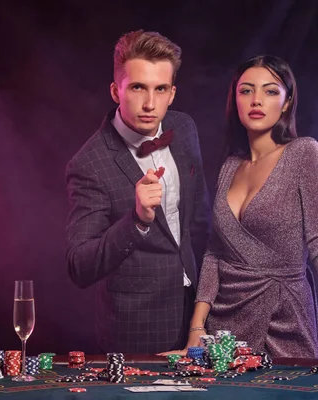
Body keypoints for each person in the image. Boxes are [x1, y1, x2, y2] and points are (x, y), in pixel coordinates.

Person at [162, 55, 318, 365]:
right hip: (223, 326)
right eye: (246, 90)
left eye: (270, 91)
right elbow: (214, 255)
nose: (257, 100)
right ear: (235, 100)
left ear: (287, 101)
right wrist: (196, 329)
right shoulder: (230, 167)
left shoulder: (304, 153)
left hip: (284, 319)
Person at [65, 30, 211, 354]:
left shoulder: (184, 129)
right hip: (137, 330)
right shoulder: (90, 163)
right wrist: (137, 220)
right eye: (137, 88)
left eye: (160, 89)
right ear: (116, 91)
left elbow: (200, 223)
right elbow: (79, 266)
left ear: (172, 93)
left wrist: (207, 309)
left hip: (198, 317)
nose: (149, 103)